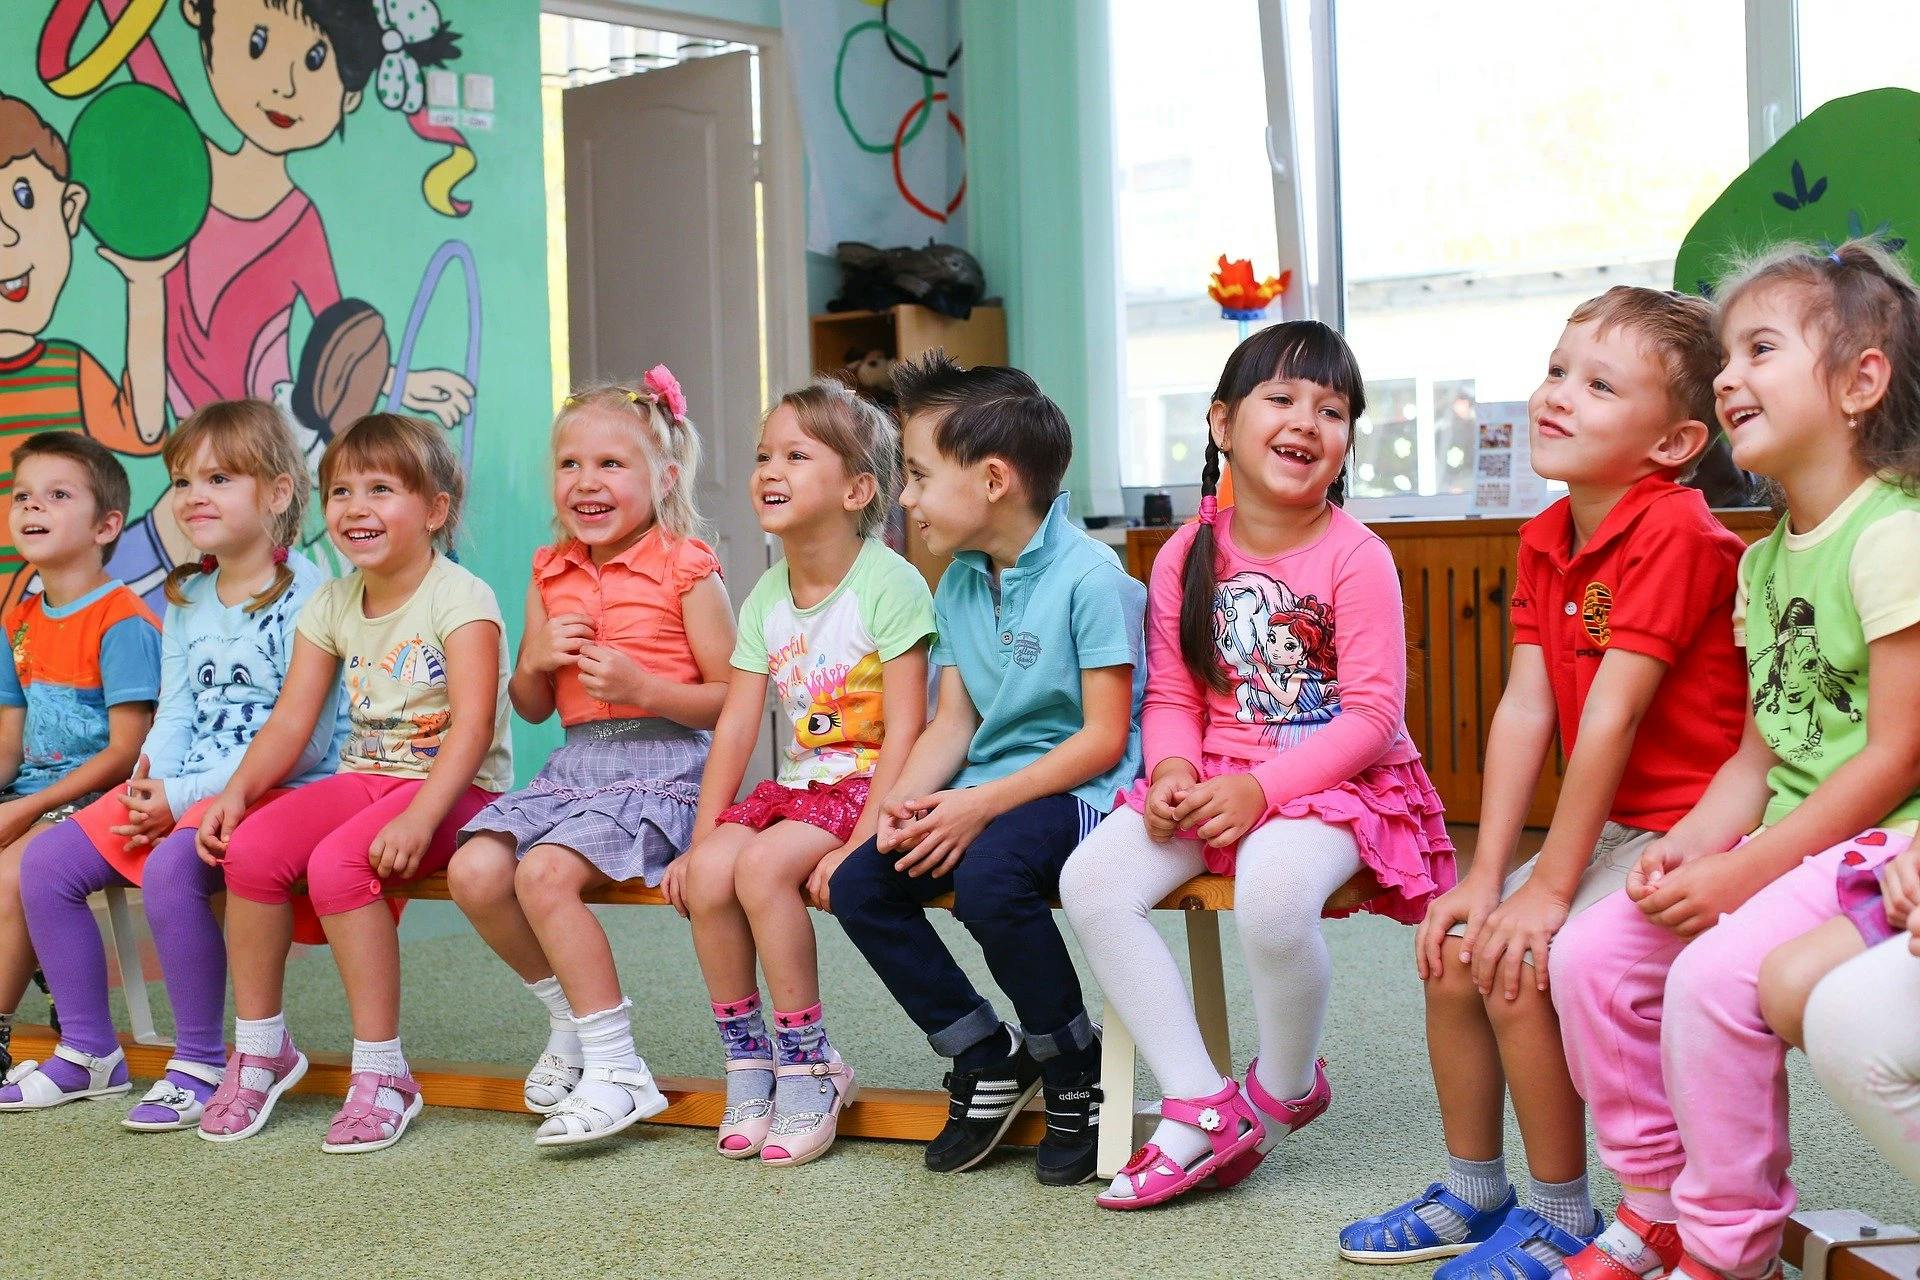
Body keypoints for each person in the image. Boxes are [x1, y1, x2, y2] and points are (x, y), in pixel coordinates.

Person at [1342, 289, 1747, 1275]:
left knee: (1518, 961)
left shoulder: (1680, 535)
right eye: (1559, 369)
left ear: (1676, 439)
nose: (1557, 394)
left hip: (1699, 828)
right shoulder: (1546, 533)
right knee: (1453, 945)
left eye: (1599, 384)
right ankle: (1478, 1189)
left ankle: (1565, 1215)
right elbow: (1529, 708)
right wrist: (1485, 875)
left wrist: (1548, 894)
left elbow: (1608, 719)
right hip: (1615, 825)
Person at [1551, 240, 1920, 1280]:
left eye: (1760, 347)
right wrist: (1685, 851)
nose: (1726, 376)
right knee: (1591, 954)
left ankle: (1728, 1245)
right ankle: (1659, 1203)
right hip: (1795, 834)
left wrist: (1744, 872)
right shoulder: (1761, 562)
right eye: (1724, 357)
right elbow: (1760, 752)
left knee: (1715, 975)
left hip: (1880, 836)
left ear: (1859, 382)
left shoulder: (1894, 535)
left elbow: (1894, 754)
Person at [1061, 320, 1453, 1210]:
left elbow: (1373, 716)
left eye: (1332, 409)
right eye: (1281, 399)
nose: (1306, 421)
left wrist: (1262, 789)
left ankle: (1282, 1086)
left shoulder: (1359, 556)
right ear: (1221, 422)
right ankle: (1202, 1101)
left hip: (1337, 783)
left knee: (1275, 898)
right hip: (1212, 777)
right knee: (1092, 880)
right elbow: (1174, 699)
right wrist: (1168, 774)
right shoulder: (1183, 554)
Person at [827, 353, 1145, 1187]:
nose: (907, 497)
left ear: (995, 478)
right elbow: (953, 725)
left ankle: (1073, 1059)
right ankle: (984, 1052)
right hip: (990, 791)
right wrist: (901, 808)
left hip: (1080, 793)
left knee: (993, 876)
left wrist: (976, 809)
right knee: (863, 883)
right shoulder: (961, 582)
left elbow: (1104, 739)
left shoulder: (1092, 580)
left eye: (921, 476)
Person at [2, 400, 344, 1125]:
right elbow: (179, 709)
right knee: (49, 864)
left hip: (278, 787)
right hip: (184, 784)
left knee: (168, 868)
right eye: (184, 481)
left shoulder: (311, 596)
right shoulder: (186, 594)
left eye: (219, 478)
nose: (193, 497)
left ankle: (199, 1059)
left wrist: (181, 793)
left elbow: (304, 741)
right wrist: (146, 784)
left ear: (278, 493)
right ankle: (91, 1053)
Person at [194, 413, 511, 1153]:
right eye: (340, 491)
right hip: (369, 778)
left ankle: (383, 1070)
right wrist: (236, 794)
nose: (355, 508)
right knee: (251, 851)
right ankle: (262, 1045)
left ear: (434, 510)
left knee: (341, 862)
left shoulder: (460, 599)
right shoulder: (333, 602)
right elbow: (290, 722)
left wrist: (420, 817)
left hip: (458, 788)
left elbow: (470, 731)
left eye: (380, 490)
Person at [449, 370, 734, 1147]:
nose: (588, 482)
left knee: (541, 874)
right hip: (575, 768)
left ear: (663, 477)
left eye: (612, 464)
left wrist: (646, 685)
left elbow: (734, 699)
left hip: (666, 767)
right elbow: (534, 707)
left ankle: (617, 1069)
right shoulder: (549, 570)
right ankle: (570, 1017)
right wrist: (534, 659)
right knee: (473, 871)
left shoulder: (687, 567)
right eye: (571, 465)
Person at [670, 376, 932, 1167]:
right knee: (712, 871)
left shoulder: (890, 582)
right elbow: (739, 724)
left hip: (866, 787)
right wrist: (700, 834)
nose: (768, 470)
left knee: (755, 871)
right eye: (762, 455)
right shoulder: (764, 597)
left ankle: (812, 1060)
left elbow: (911, 729)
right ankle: (751, 1060)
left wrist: (859, 839)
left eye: (794, 454)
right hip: (798, 789)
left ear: (858, 489)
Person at [0, 435, 159, 1085]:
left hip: (102, 799)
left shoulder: (123, 622)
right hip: (38, 792)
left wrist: (27, 809)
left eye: (57, 495)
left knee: (14, 869)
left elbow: (128, 755)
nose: (32, 506)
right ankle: (49, 966)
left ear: (106, 525)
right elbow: (11, 743)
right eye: (22, 496)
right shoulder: (21, 618)